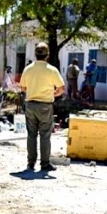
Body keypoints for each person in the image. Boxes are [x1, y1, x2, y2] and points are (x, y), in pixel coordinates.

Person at [19, 42, 65, 172]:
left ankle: (31, 163)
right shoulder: (51, 70)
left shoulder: (28, 69)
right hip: (45, 105)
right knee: (45, 135)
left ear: (35, 54)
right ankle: (45, 164)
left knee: (31, 134)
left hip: (30, 104)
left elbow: (22, 88)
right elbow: (61, 89)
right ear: (47, 55)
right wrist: (52, 94)